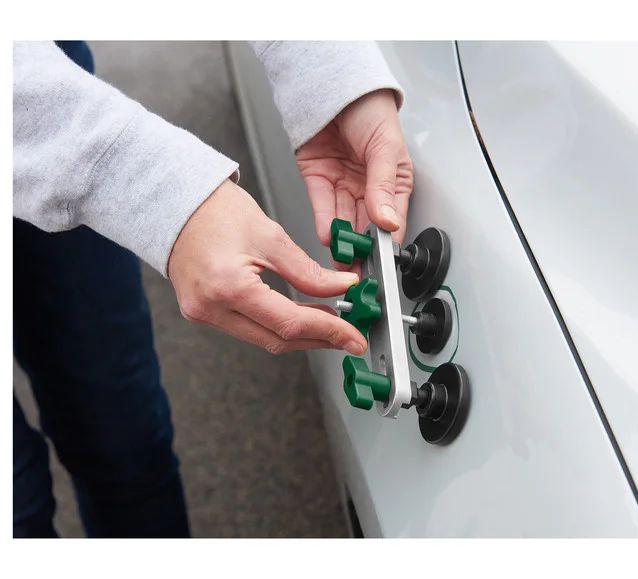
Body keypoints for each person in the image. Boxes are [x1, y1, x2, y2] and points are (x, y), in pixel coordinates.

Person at [12, 40, 414, 538]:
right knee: (17, 504)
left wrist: (330, 75)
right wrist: (159, 194)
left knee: (124, 432)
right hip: (41, 110)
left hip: (42, 72)